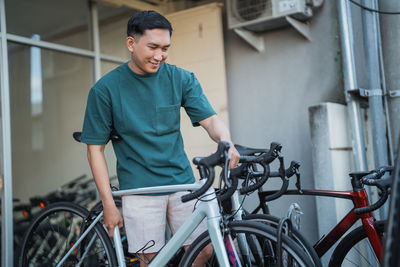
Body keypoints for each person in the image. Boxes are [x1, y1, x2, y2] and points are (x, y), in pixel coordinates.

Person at [80, 10, 239, 267]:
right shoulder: (105, 89)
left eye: (165, 48)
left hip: (182, 182)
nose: (159, 55)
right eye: (152, 47)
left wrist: (226, 141)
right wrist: (108, 203)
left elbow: (210, 120)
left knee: (204, 251)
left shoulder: (181, 78)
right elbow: (94, 150)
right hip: (140, 188)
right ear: (131, 43)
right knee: (152, 261)